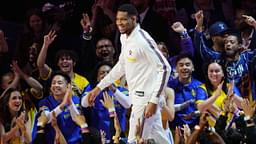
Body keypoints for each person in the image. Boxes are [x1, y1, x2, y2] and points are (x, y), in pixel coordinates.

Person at [84, 4, 171, 144]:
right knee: (160, 139)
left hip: (146, 99)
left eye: (124, 19)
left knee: (134, 141)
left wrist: (153, 100)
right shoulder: (124, 37)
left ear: (134, 19)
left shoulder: (142, 40)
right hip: (137, 96)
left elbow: (165, 68)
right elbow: (121, 66)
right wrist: (99, 87)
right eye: (118, 19)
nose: (119, 22)